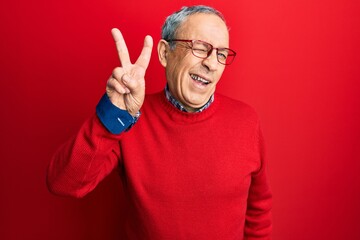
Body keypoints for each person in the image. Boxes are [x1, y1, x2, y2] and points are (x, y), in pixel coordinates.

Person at [47, 5, 272, 239]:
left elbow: (259, 210)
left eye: (221, 54)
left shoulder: (246, 120)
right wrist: (113, 114)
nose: (212, 64)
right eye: (200, 48)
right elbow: (64, 183)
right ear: (165, 53)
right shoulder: (129, 119)